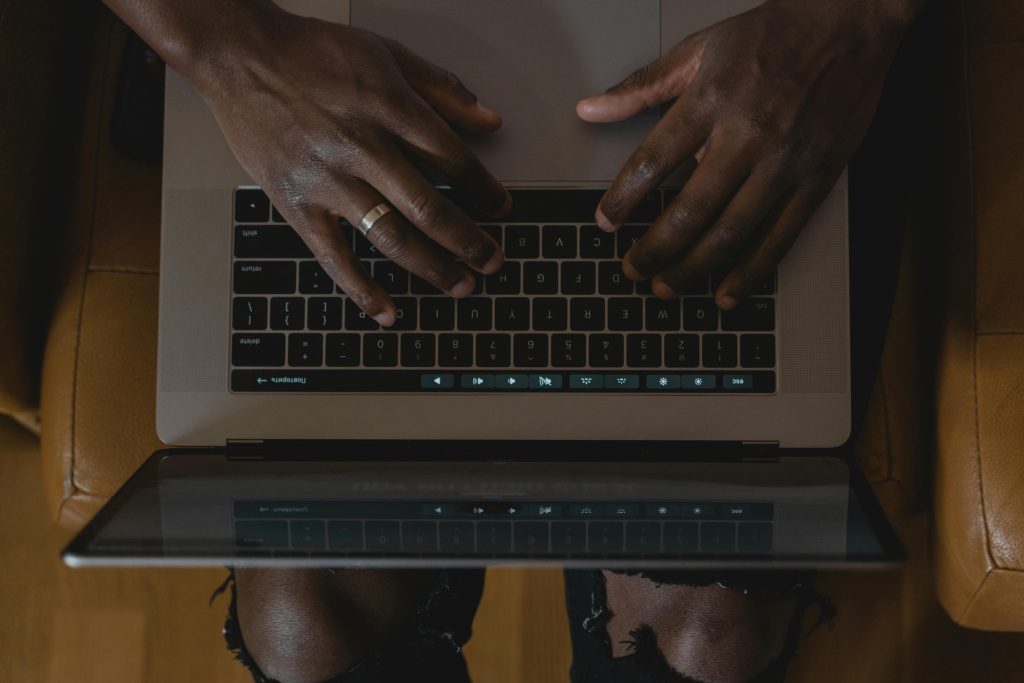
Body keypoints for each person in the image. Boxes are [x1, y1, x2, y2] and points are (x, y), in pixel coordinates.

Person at [102, 0, 928, 680]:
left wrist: (847, 21)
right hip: (302, 39)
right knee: (304, 628)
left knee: (709, 639)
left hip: (756, 38)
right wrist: (228, 44)